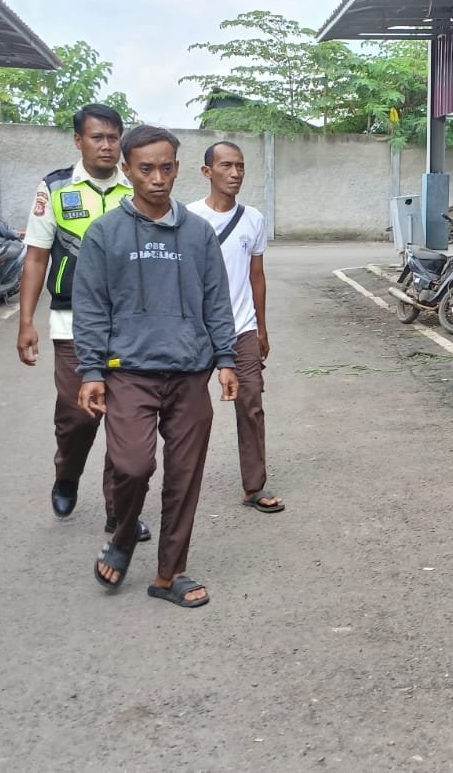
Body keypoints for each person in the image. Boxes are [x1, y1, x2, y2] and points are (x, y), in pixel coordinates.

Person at [73, 125, 239, 609]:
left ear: (178, 169)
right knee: (132, 466)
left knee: (184, 476)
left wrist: (226, 359)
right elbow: (91, 306)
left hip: (190, 372)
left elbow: (217, 301)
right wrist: (91, 371)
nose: (158, 178)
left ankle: (170, 574)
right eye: (146, 169)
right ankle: (124, 533)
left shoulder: (198, 233)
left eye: (166, 168)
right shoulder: (105, 233)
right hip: (129, 372)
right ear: (127, 170)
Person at [15, 104, 150, 542]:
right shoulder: (56, 188)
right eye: (97, 138)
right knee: (78, 416)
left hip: (130, 324)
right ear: (79, 141)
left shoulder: (138, 184)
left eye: (113, 137)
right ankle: (67, 473)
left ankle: (119, 513)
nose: (107, 146)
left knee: (124, 420)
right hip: (71, 322)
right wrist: (26, 322)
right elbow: (37, 258)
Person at [188, 140, 281, 513]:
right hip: (196, 330)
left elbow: (256, 275)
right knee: (189, 411)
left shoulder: (253, 219)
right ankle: (182, 485)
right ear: (207, 172)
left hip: (241, 328)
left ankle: (254, 486)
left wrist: (261, 328)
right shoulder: (188, 218)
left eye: (240, 166)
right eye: (226, 165)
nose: (235, 173)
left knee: (251, 403)